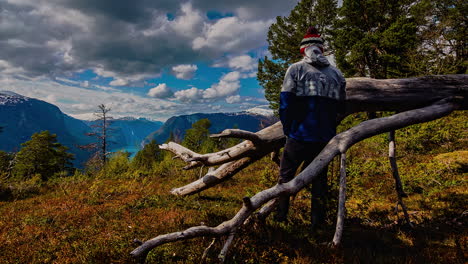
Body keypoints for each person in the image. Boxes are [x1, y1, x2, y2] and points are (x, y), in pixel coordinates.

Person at [275, 27, 346, 229]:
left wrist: (289, 129)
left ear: (303, 50)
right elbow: (342, 107)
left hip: (299, 135)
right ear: (321, 50)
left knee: (286, 178)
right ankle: (317, 224)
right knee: (319, 182)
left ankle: (281, 220)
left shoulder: (295, 69)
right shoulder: (337, 74)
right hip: (325, 138)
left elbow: (285, 103)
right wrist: (329, 124)